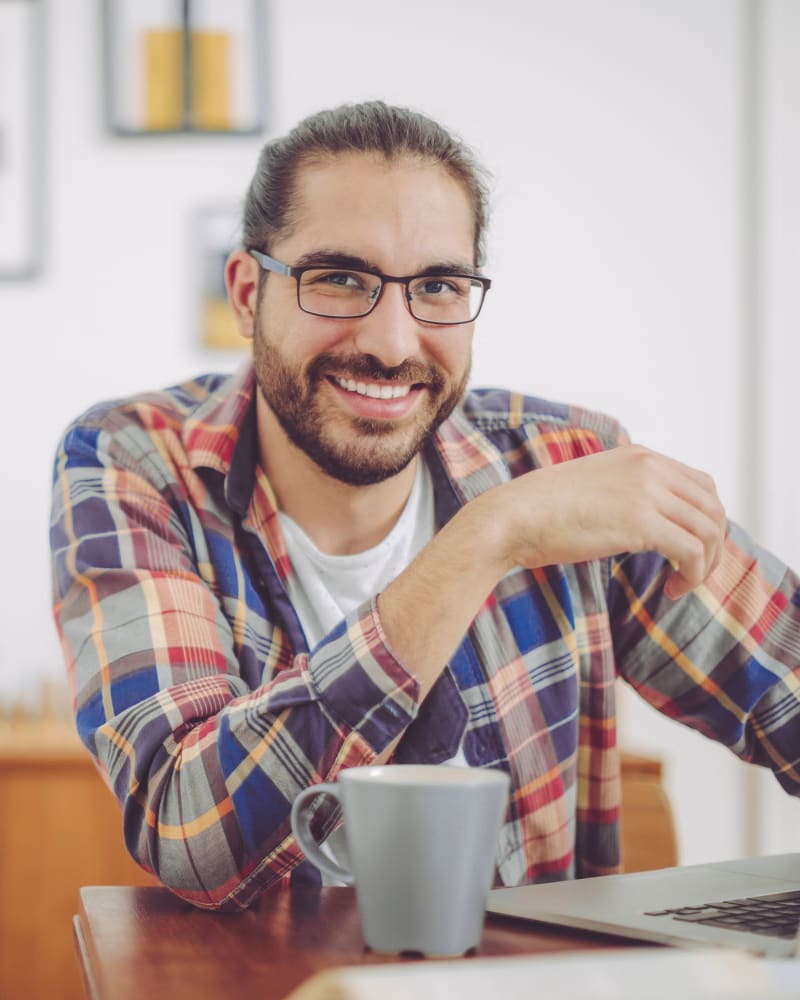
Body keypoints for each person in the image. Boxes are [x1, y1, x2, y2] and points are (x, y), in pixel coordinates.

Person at [50, 100, 800, 912]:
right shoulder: (134, 462)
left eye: (437, 287)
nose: (393, 343)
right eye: (339, 279)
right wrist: (487, 537)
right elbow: (192, 835)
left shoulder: (568, 463)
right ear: (244, 293)